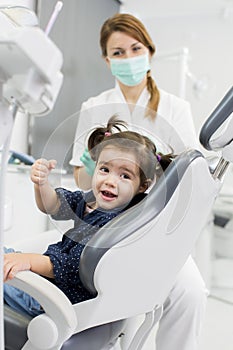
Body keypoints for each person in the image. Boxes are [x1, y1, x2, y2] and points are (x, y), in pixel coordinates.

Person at [69, 13, 207, 350]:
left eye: (135, 48)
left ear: (149, 51)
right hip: (105, 225)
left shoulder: (175, 108)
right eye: (118, 53)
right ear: (106, 60)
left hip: (156, 227)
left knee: (190, 293)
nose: (128, 58)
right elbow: (79, 175)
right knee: (119, 309)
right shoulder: (94, 106)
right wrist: (92, 164)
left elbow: (188, 178)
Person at [3, 116, 173, 317]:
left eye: (124, 176)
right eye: (105, 169)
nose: (110, 181)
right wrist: (41, 185)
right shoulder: (93, 202)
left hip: (50, 300)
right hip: (47, 285)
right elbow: (54, 205)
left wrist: (27, 261)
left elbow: (70, 268)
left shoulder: (115, 226)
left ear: (142, 186)